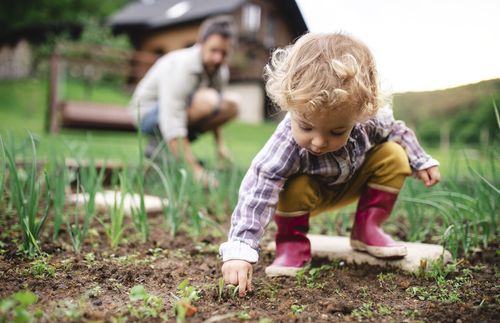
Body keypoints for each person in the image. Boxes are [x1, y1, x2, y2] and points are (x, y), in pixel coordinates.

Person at [219, 32, 441, 296]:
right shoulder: (286, 142)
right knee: (290, 183)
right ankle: (291, 243)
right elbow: (259, 186)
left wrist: (420, 160)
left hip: (351, 182)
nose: (319, 141)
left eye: (337, 131)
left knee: (393, 154)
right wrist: (241, 249)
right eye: (306, 126)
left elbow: (397, 131)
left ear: (360, 113)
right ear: (290, 105)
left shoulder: (366, 119)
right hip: (306, 196)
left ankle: (367, 229)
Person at [129, 15, 240, 185]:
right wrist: (195, 170)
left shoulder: (220, 70)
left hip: (179, 112)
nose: (218, 58)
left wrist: (220, 146)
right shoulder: (182, 66)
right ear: (201, 43)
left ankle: (169, 151)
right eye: (214, 50)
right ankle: (162, 149)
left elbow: (217, 110)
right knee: (208, 100)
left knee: (232, 105)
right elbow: (172, 117)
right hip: (147, 114)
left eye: (224, 53)